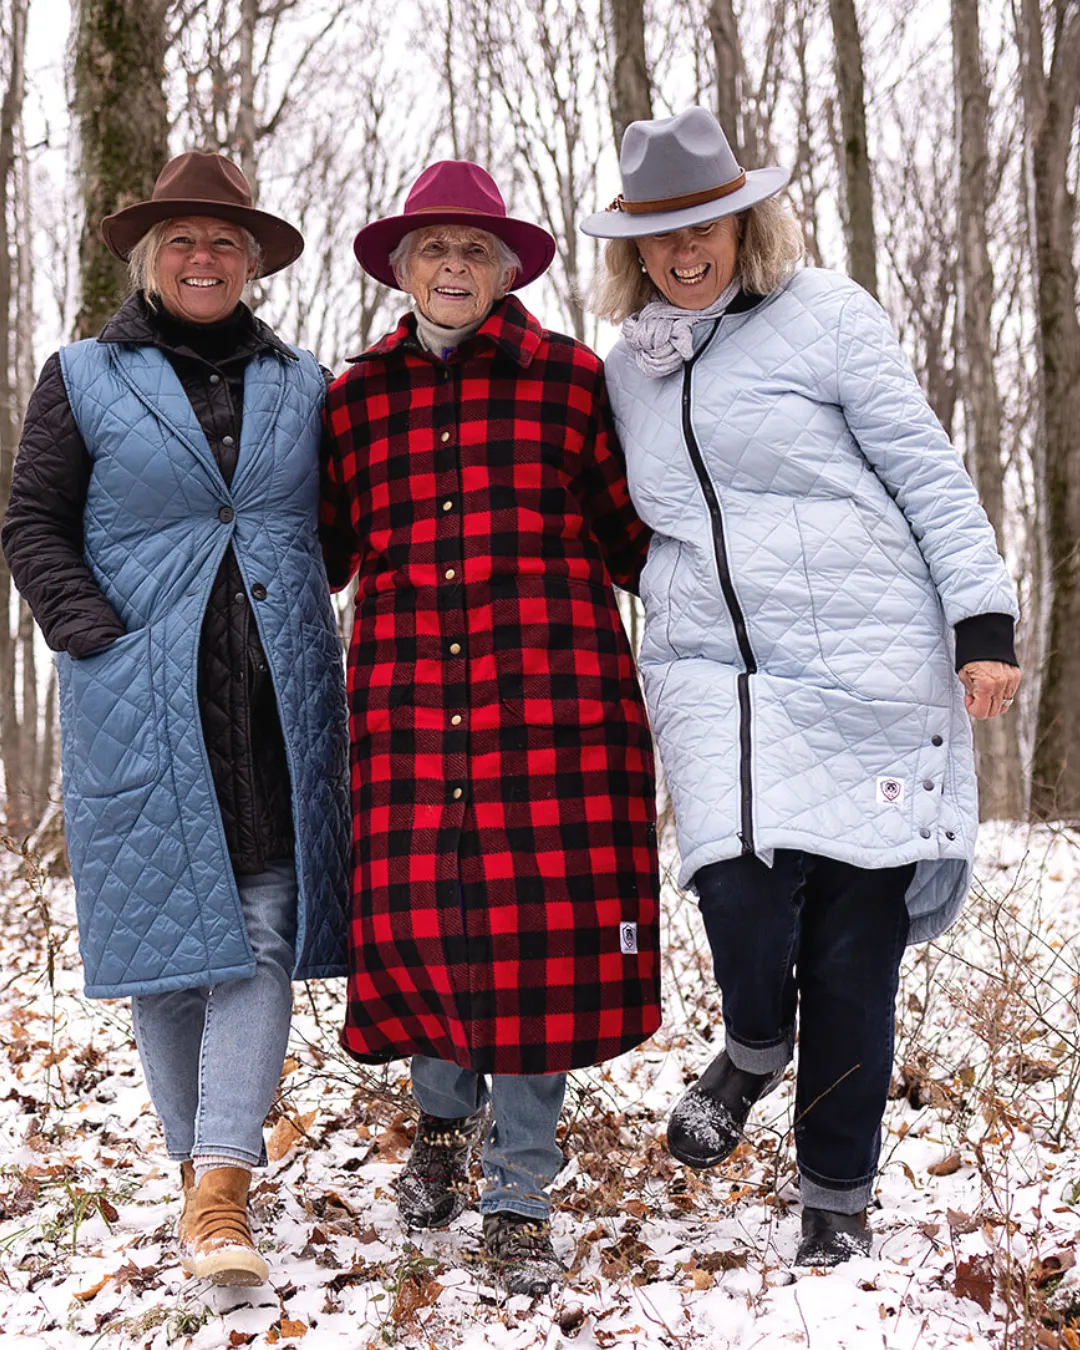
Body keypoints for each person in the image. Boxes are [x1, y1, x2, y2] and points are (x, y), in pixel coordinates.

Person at [581, 108, 1021, 1267]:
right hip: (708, 667)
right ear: (633, 248)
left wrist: (983, 620)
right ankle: (756, 1045)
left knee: (851, 942)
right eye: (661, 235)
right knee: (734, 886)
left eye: (706, 225)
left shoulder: (826, 315)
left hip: (869, 650)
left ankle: (835, 1193)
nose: (686, 252)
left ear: (744, 219)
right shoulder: (630, 366)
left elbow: (923, 464)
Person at [2, 152, 349, 1287]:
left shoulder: (304, 384)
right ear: (153, 257)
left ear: (251, 263)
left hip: (271, 699)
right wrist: (95, 634)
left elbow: (333, 531)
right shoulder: (83, 375)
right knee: (162, 956)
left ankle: (217, 1192)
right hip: (142, 698)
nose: (205, 258)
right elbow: (32, 523)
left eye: (225, 242)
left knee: (255, 930)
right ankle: (209, 1184)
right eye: (184, 241)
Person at [321, 160, 660, 1296]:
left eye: (475, 252)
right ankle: (437, 1123)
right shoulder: (353, 399)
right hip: (410, 706)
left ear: (507, 270)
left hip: (552, 709)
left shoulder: (570, 383)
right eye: (434, 251)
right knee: (426, 921)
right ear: (401, 268)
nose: (454, 268)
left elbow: (636, 540)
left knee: (537, 944)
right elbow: (312, 553)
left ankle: (520, 1190)